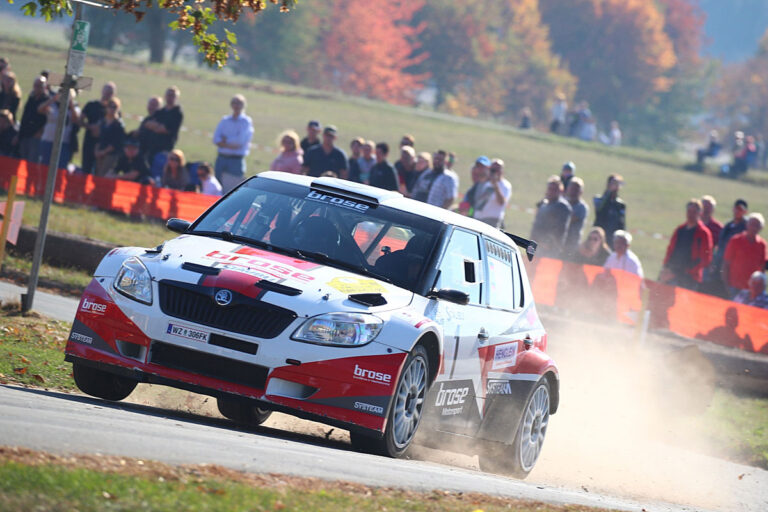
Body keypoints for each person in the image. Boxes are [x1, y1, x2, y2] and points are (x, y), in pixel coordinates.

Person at [660, 199, 713, 290]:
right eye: (689, 211)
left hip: (689, 278)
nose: (691, 214)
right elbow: (670, 251)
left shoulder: (703, 233)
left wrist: (685, 271)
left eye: (694, 212)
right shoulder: (680, 230)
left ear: (700, 213)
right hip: (671, 273)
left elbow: (705, 259)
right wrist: (665, 268)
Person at [213, 94, 253, 194]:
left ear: (243, 105)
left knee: (233, 190)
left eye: (239, 103)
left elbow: (239, 142)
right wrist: (229, 142)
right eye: (234, 103)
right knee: (219, 187)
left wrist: (224, 141)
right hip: (221, 159)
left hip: (235, 160)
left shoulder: (246, 122)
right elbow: (216, 139)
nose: (236, 106)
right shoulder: (225, 120)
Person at [722, 213, 767, 296]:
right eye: (752, 224)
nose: (754, 227)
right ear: (747, 225)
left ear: (761, 228)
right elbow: (726, 264)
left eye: (757, 225)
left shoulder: (762, 245)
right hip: (734, 286)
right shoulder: (736, 240)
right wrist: (726, 285)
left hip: (752, 290)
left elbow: (762, 268)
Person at [37, 88, 80, 170]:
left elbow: (76, 119)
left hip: (64, 143)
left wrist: (70, 103)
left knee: (60, 168)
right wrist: (53, 99)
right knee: (44, 167)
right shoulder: (53, 105)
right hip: (48, 140)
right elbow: (40, 109)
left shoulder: (74, 107)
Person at [530, 175, 572, 257]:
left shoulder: (562, 207)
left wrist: (548, 243)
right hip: (536, 245)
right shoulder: (544, 204)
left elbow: (560, 229)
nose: (551, 191)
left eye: (555, 190)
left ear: (561, 191)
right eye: (550, 189)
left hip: (549, 249)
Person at [80, 81, 115, 174]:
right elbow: (80, 120)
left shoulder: (113, 110)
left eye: (110, 93)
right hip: (89, 142)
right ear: (102, 91)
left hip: (103, 146)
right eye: (106, 92)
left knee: (99, 172)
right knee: (86, 168)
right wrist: (90, 126)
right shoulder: (91, 105)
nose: (107, 95)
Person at [15, 75, 50, 163]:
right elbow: (25, 116)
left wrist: (41, 132)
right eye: (36, 85)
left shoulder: (47, 100)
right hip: (25, 134)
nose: (37, 88)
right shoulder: (31, 98)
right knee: (21, 162)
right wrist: (19, 135)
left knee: (32, 163)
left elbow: (48, 120)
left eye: (40, 86)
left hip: (35, 137)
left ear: (45, 87)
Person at [142, 86, 183, 159]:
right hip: (152, 146)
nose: (170, 98)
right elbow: (148, 124)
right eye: (168, 95)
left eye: (172, 96)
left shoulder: (177, 113)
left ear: (176, 98)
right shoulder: (160, 111)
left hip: (165, 148)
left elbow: (165, 129)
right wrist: (159, 126)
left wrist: (157, 126)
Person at [473, 158, 511, 229]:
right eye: (492, 170)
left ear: (501, 171)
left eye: (497, 169)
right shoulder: (486, 183)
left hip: (492, 220)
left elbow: (502, 202)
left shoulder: (505, 185)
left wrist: (495, 185)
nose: (494, 172)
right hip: (478, 218)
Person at [93, 97, 125, 176]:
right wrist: (97, 151)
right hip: (100, 152)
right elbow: (98, 138)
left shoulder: (119, 124)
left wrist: (103, 152)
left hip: (110, 154)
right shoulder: (102, 122)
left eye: (114, 107)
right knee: (96, 174)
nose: (112, 109)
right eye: (110, 106)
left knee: (103, 174)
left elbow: (116, 143)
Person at [593, 173, 626, 248]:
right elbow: (599, 209)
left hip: (613, 240)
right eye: (614, 183)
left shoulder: (620, 205)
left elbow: (622, 224)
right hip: (599, 238)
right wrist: (609, 192)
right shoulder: (598, 199)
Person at [564, 177, 589, 255]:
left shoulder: (582, 207)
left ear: (581, 192)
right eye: (572, 189)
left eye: (576, 190)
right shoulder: (562, 202)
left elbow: (567, 220)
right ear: (568, 189)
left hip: (571, 245)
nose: (573, 192)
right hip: (558, 242)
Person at [137, 96, 162, 166]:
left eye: (154, 105)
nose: (151, 107)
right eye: (150, 104)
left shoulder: (160, 120)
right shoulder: (147, 119)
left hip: (153, 154)